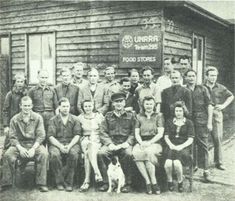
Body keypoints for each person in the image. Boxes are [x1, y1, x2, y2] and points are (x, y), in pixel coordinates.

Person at [1, 96, 48, 192]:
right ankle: (6, 183)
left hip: (34, 144)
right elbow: (12, 137)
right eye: (24, 106)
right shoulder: (14, 119)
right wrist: (20, 149)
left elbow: (41, 136)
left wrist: (33, 149)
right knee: (7, 155)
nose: (27, 108)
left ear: (32, 106)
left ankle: (41, 183)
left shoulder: (38, 118)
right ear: (20, 106)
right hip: (19, 144)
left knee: (44, 154)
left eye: (28, 106)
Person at [97, 92, 136, 193]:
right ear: (113, 104)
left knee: (128, 154)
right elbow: (103, 132)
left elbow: (134, 132)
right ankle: (107, 183)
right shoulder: (108, 116)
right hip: (112, 143)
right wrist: (109, 144)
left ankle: (128, 183)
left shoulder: (131, 116)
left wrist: (128, 143)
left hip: (124, 143)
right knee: (101, 153)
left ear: (124, 103)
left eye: (121, 101)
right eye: (116, 102)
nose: (119, 104)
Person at [47, 98, 81, 192]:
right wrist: (60, 146)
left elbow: (77, 135)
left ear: (70, 107)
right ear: (59, 107)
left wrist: (69, 146)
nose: (65, 108)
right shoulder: (53, 120)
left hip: (72, 143)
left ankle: (69, 182)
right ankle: (59, 183)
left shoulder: (75, 119)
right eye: (63, 106)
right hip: (57, 143)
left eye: (67, 106)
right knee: (54, 155)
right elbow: (50, 137)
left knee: (73, 154)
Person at [185, 69, 213, 182]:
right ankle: (193, 166)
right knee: (190, 145)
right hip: (188, 121)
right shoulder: (183, 89)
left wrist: (209, 122)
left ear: (196, 77)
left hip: (201, 121)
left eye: (193, 76)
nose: (191, 78)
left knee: (203, 145)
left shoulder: (203, 89)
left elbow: (209, 106)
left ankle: (206, 170)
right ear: (185, 77)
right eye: (189, 76)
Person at [132, 96, 164, 194]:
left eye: (150, 104)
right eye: (147, 104)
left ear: (154, 104)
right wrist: (141, 142)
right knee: (136, 153)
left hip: (155, 142)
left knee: (148, 152)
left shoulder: (159, 115)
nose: (149, 106)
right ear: (143, 105)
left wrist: (149, 143)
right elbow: (136, 133)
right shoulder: (138, 116)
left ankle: (154, 181)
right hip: (141, 141)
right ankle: (148, 182)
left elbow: (160, 134)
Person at [204, 66, 234, 170]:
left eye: (215, 76)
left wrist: (223, 106)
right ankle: (202, 163)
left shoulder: (220, 87)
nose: (213, 78)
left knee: (217, 138)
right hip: (204, 114)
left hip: (216, 114)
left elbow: (231, 96)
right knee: (203, 139)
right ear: (206, 76)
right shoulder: (201, 87)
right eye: (211, 75)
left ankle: (219, 162)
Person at [164, 101, 194, 193]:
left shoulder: (189, 123)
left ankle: (180, 181)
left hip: (183, 147)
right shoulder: (169, 121)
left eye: (180, 111)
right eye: (176, 111)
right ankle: (170, 181)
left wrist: (181, 146)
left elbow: (190, 139)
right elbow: (166, 136)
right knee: (168, 163)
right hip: (171, 146)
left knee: (177, 163)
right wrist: (171, 145)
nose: (178, 113)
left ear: (184, 111)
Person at [78, 100, 104, 192]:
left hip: (96, 139)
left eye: (89, 106)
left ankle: (86, 181)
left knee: (87, 153)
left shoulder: (98, 116)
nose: (88, 108)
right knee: (87, 145)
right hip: (85, 139)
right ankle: (97, 173)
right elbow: (78, 132)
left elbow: (103, 130)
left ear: (93, 106)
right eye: (86, 106)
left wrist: (96, 138)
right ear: (83, 107)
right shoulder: (80, 118)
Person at [2, 73, 28, 150]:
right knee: (8, 143)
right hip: (12, 122)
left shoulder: (27, 94)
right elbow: (5, 110)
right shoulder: (10, 94)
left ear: (24, 82)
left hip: (24, 122)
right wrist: (6, 125)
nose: (20, 84)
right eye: (18, 81)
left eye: (22, 81)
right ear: (15, 82)